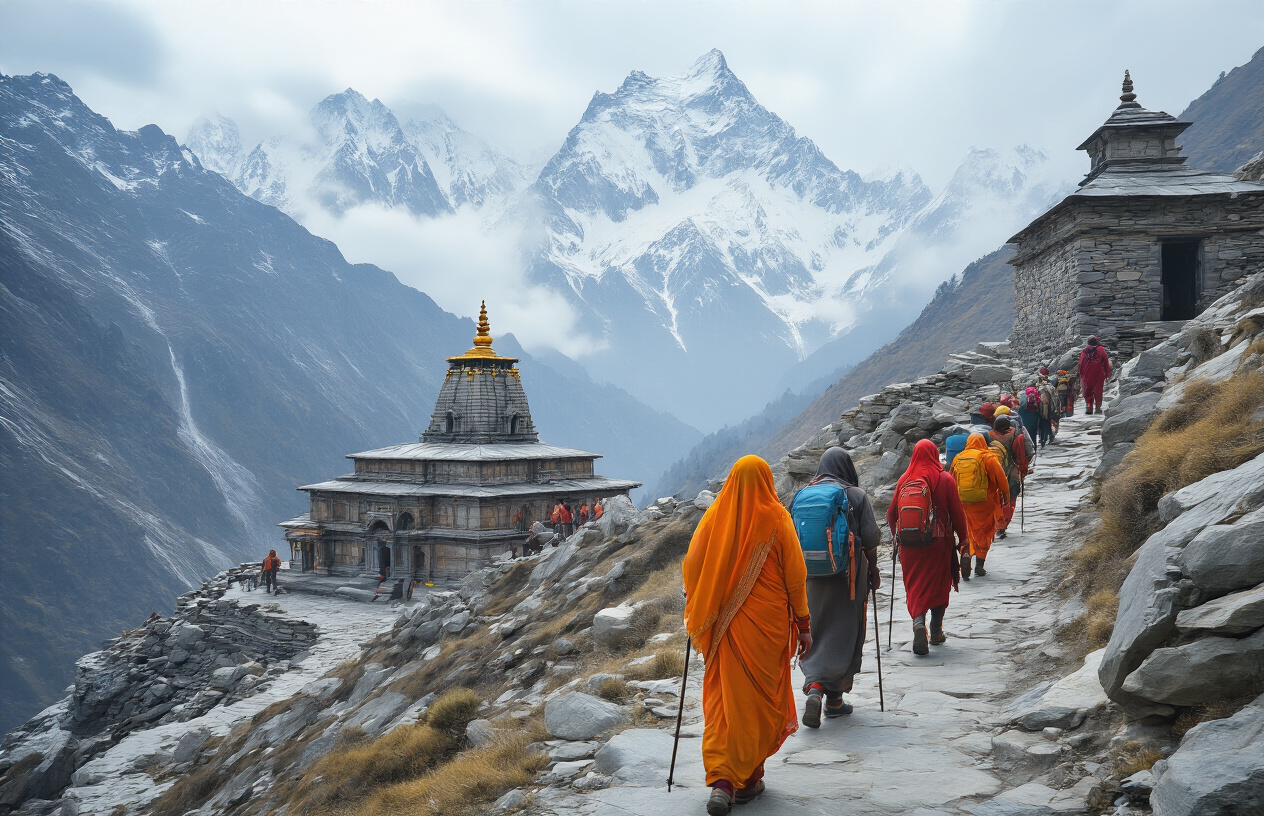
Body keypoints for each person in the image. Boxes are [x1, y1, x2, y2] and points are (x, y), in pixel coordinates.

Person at [683, 455, 811, 815]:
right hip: (767, 631)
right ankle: (749, 778)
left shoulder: (714, 519)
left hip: (724, 629)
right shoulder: (776, 518)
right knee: (758, 704)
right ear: (767, 481)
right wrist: (804, 625)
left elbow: (692, 565)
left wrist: (699, 602)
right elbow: (796, 577)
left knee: (727, 704)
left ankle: (724, 781)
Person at [798, 448, 882, 726]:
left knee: (818, 629)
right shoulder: (855, 495)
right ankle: (834, 700)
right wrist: (874, 571)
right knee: (846, 634)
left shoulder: (802, 496)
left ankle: (814, 687)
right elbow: (871, 538)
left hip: (810, 579)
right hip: (849, 579)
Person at [886, 440, 969, 655]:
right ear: (933, 454)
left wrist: (897, 537)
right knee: (939, 584)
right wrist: (964, 540)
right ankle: (936, 629)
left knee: (915, 585)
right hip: (939, 544)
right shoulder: (945, 478)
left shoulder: (905, 479)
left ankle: (918, 623)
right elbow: (958, 514)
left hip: (909, 546)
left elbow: (891, 513)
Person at [953, 433, 1010, 579]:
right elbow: (1001, 479)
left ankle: (967, 551)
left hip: (965, 502)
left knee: (969, 530)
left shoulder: (959, 458)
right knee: (985, 531)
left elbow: (951, 479)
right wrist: (1006, 495)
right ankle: (980, 564)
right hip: (985, 502)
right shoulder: (988, 457)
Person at [1079, 336, 1112, 414]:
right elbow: (1106, 361)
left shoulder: (1084, 351)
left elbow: (1081, 363)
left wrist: (1081, 374)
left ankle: (1089, 407)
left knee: (1087, 390)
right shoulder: (1101, 349)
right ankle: (1097, 408)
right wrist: (1107, 373)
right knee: (1098, 391)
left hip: (1087, 372)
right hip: (1099, 372)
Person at [1038, 376, 1059, 446]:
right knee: (1046, 424)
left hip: (1044, 410)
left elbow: (1045, 402)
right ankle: (1047, 437)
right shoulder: (1050, 388)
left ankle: (1045, 438)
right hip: (1048, 410)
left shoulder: (1041, 390)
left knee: (1043, 424)